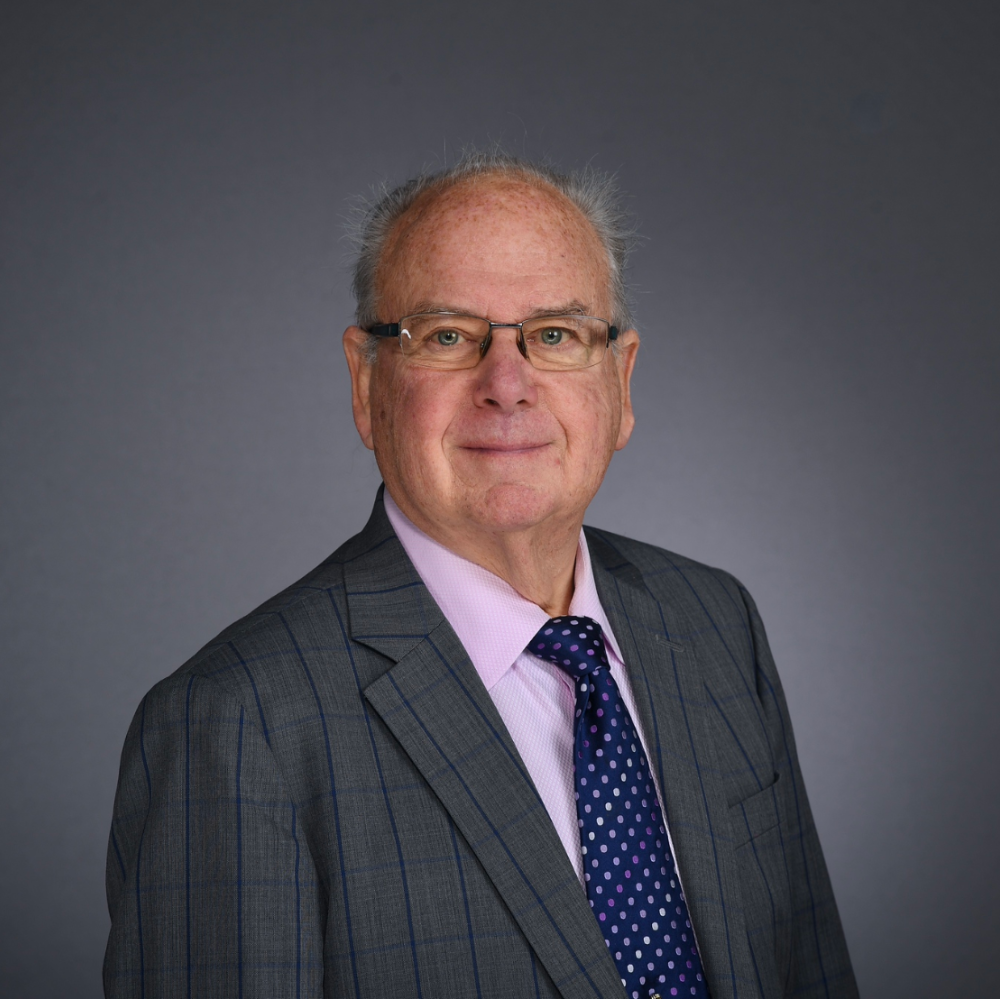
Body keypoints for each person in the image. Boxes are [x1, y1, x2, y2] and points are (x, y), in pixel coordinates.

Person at [104, 151, 858, 999]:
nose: (508, 385)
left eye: (558, 335)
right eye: (450, 336)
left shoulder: (715, 623)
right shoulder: (236, 726)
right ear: (367, 384)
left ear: (621, 381)